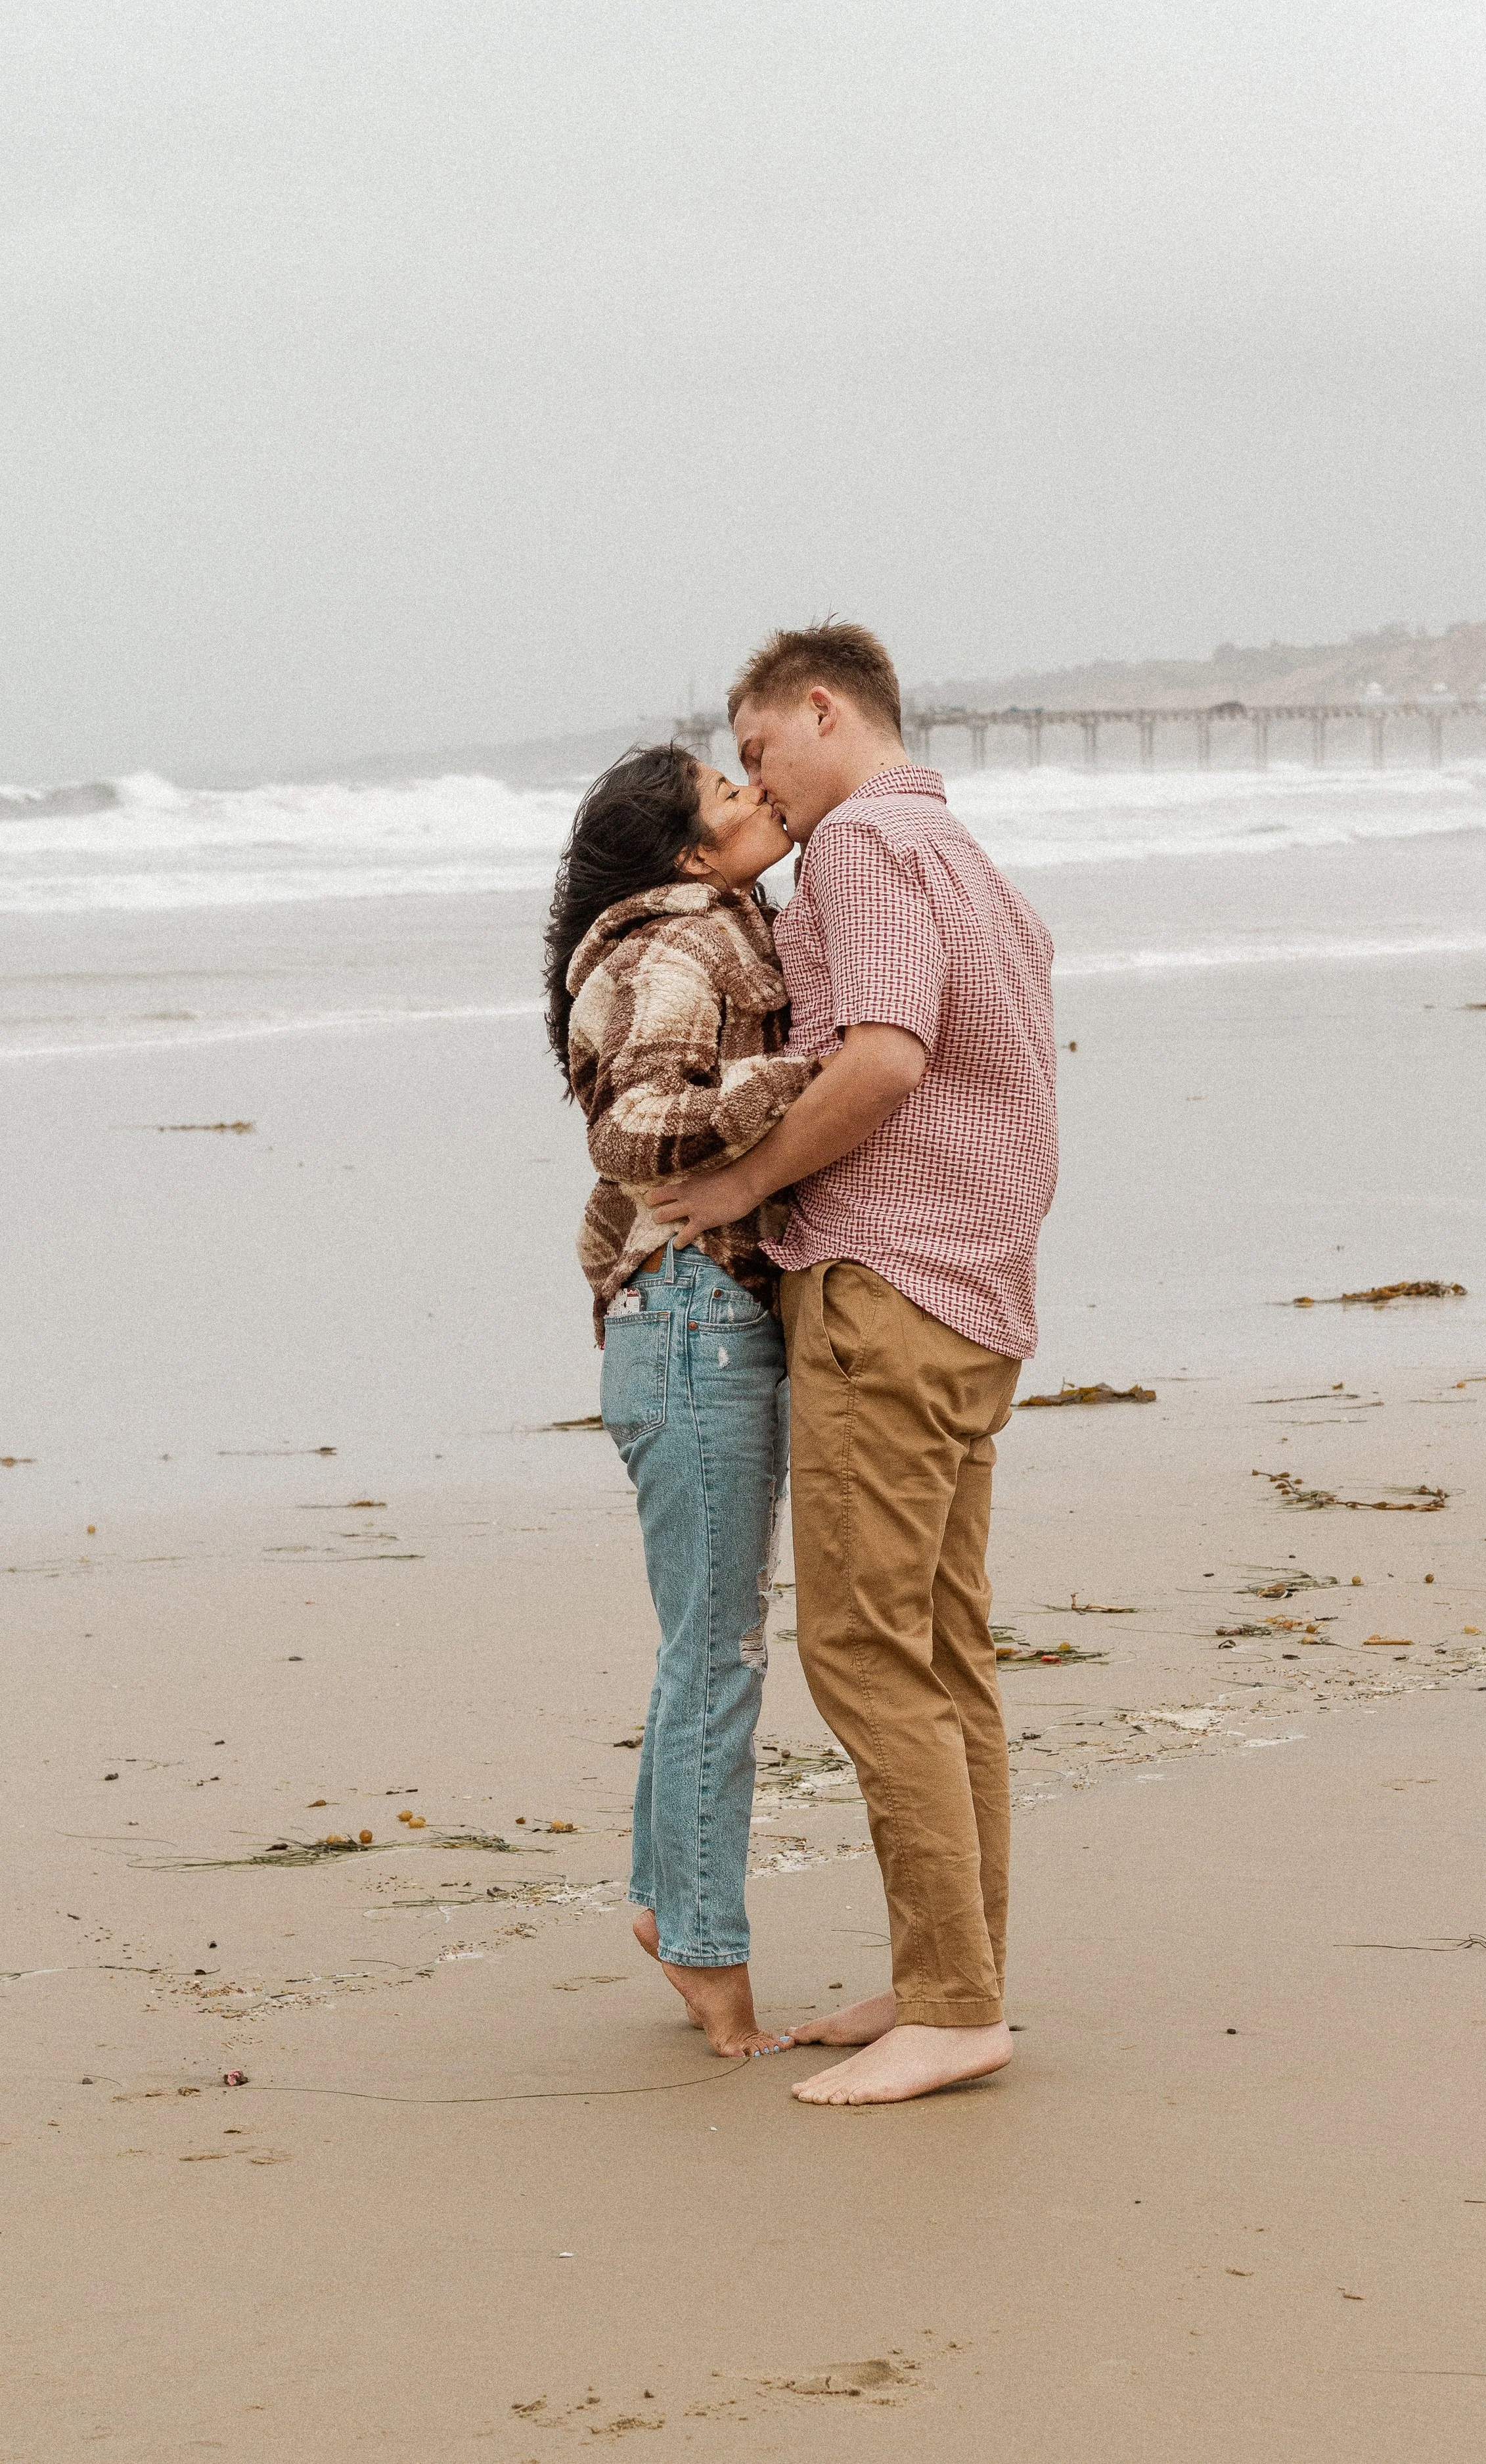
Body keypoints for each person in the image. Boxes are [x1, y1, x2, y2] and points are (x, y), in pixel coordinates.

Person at [648, 621, 1058, 2105]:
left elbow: (882, 1056)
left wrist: (744, 1187)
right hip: (974, 1291)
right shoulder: (967, 859)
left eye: (758, 753)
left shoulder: (867, 854)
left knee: (863, 1649)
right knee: (941, 1655)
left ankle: (954, 2009)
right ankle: (948, 1975)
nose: (755, 786)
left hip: (888, 1286)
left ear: (822, 712)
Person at [545, 743, 817, 2057]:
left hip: (677, 1324)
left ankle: (664, 1905)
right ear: (688, 854)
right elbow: (638, 1128)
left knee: (697, 1643)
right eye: (727, 796)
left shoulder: (712, 923)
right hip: (697, 1328)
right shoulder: (684, 937)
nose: (758, 796)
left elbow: (621, 1173)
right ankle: (712, 1960)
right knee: (717, 1657)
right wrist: (810, 1073)